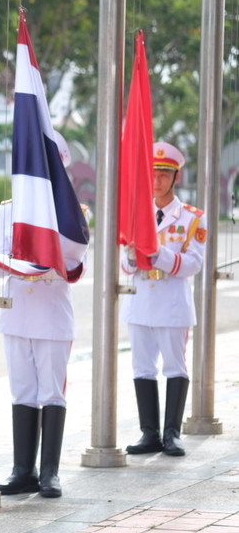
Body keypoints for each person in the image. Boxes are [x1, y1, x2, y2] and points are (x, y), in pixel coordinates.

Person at [0, 197, 88, 499]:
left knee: (51, 393)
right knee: (22, 392)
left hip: (51, 315)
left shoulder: (73, 209)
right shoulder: (8, 208)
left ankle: (49, 472)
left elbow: (74, 264)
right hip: (17, 312)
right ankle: (23, 471)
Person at [121, 141, 206, 457]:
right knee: (142, 366)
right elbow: (124, 263)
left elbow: (194, 263)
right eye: (153, 174)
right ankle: (149, 433)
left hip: (172, 303)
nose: (157, 181)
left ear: (176, 177)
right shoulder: (135, 214)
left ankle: (172, 433)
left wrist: (159, 256)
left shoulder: (192, 218)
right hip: (140, 300)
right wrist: (131, 256)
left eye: (164, 174)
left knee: (174, 366)